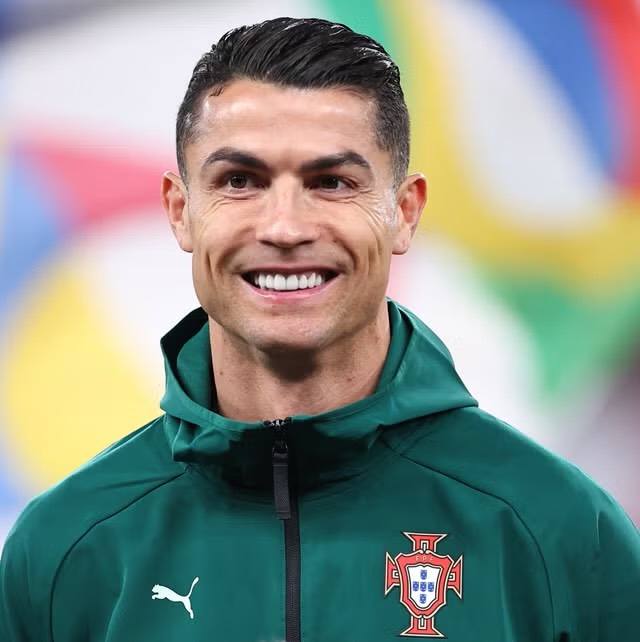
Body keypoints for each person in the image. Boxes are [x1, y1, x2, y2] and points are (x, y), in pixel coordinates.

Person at [1, 16, 639, 642]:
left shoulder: (558, 530)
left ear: (405, 212)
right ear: (180, 210)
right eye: (240, 181)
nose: (285, 227)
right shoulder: (63, 545)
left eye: (332, 182)